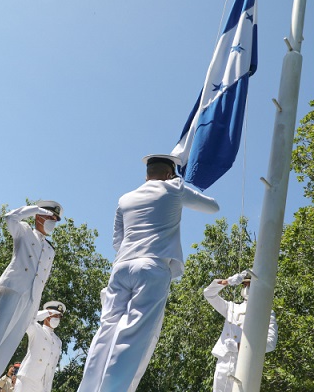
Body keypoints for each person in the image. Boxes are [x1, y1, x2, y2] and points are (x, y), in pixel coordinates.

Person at [78, 154, 220, 392]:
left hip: (121, 266)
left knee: (105, 332)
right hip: (152, 266)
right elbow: (213, 207)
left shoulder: (125, 199)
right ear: (169, 174)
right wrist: (178, 183)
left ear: (146, 174)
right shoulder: (174, 190)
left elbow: (117, 241)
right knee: (132, 337)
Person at [0, 201, 62, 390]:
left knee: (6, 350)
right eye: (50, 217)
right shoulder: (25, 231)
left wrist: (36, 305)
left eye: (55, 220)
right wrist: (34, 209)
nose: (53, 222)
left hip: (31, 300)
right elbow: (9, 217)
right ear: (39, 216)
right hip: (13, 289)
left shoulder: (50, 250)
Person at [204, 271, 278, 392]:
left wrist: (240, 346)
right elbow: (208, 294)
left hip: (245, 364)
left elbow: (270, 343)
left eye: (250, 285)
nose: (246, 288)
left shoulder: (266, 313)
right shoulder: (231, 308)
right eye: (244, 285)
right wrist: (226, 282)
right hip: (224, 362)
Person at [14, 301, 64, 392]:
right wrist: (47, 312)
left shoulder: (58, 341)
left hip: (44, 385)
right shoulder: (37, 329)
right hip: (28, 379)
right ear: (46, 316)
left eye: (59, 316)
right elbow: (26, 320)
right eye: (54, 315)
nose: (57, 318)